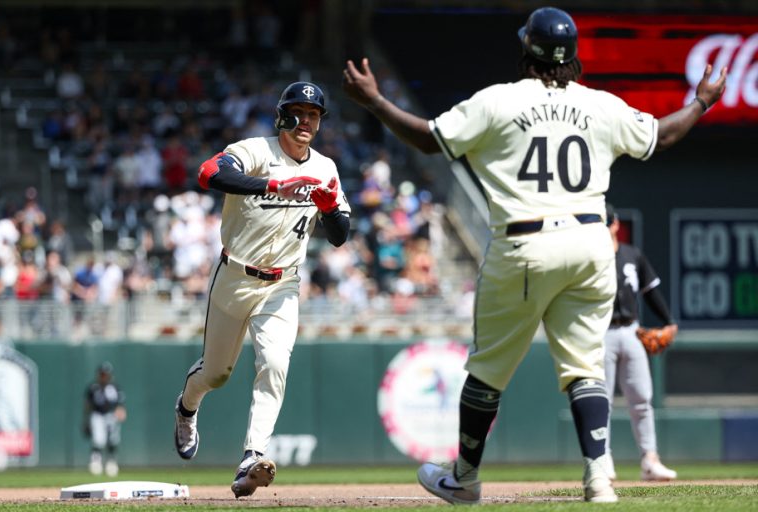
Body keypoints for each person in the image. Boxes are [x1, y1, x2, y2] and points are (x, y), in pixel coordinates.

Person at [342, 6, 726, 504]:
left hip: (525, 243)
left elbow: (428, 138)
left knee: (487, 370)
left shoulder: (499, 101)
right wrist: (700, 102)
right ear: (573, 56)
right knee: (586, 367)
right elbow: (663, 134)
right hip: (591, 246)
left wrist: (375, 102)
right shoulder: (600, 105)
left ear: (528, 49)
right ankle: (598, 480)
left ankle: (464, 478)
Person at [173, 81, 350, 498]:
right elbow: (208, 173)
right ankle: (186, 408)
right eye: (299, 112)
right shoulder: (256, 150)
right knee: (216, 373)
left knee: (274, 362)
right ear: (282, 114)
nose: (306, 121)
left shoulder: (325, 167)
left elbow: (341, 235)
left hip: (283, 283)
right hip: (234, 275)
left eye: (314, 115)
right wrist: (273, 186)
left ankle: (252, 456)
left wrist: (328, 208)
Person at [603, 204, 678, 482]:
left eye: (607, 222)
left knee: (642, 399)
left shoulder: (631, 254)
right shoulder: (590, 259)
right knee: (601, 401)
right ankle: (602, 459)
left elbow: (651, 290)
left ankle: (650, 459)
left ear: (615, 223)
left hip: (632, 330)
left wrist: (668, 320)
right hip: (602, 333)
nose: (606, 227)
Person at [83, 362, 126, 477]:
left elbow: (120, 403)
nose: (104, 376)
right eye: (102, 374)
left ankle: (111, 462)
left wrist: (120, 410)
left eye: (106, 374)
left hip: (111, 415)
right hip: (97, 415)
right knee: (98, 439)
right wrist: (86, 420)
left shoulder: (114, 387)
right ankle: (95, 461)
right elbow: (88, 405)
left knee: (113, 439)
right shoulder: (93, 388)